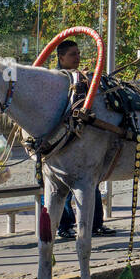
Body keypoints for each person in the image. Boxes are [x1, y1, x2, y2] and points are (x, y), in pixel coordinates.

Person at [54, 39, 114, 239]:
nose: (77, 57)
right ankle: (64, 226)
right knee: (64, 187)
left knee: (92, 183)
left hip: (83, 139)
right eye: (73, 54)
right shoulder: (57, 79)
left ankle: (96, 224)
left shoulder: (79, 77)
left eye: (78, 53)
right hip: (62, 141)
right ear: (61, 58)